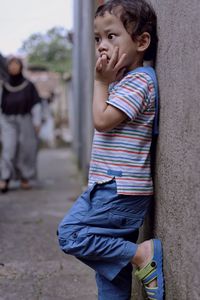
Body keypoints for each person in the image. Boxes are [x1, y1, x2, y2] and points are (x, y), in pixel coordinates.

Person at [57, 0, 164, 299]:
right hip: (114, 187)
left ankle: (142, 255)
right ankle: (134, 258)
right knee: (110, 273)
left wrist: (100, 82)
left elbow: (102, 121)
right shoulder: (123, 83)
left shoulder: (139, 81)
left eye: (111, 36)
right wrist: (107, 83)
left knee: (72, 234)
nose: (102, 45)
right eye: (97, 39)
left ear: (142, 42)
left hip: (118, 190)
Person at [0, 57, 42, 193]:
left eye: (16, 64)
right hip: (7, 121)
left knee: (26, 148)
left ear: (20, 66)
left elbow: (36, 104)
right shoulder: (4, 85)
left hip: (25, 119)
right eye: (10, 65)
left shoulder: (28, 85)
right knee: (8, 148)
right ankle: (5, 178)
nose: (13, 67)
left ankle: (25, 177)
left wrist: (37, 122)